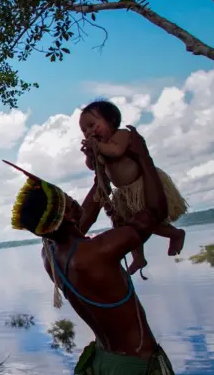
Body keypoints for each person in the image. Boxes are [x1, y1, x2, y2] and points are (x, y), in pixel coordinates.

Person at [3, 126, 196, 375]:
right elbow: (153, 214)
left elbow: (86, 212)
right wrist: (142, 154)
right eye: (70, 200)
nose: (77, 201)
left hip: (103, 364)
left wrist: (100, 170)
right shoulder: (97, 253)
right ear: (66, 215)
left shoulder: (52, 255)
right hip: (137, 370)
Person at [79, 99, 188, 275]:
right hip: (124, 194)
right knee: (126, 226)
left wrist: (97, 146)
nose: (89, 132)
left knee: (150, 222)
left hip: (141, 187)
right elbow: (93, 166)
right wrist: (90, 155)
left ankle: (175, 234)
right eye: (84, 130)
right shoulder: (100, 146)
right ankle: (138, 257)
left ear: (111, 122)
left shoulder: (121, 135)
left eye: (92, 125)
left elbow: (116, 151)